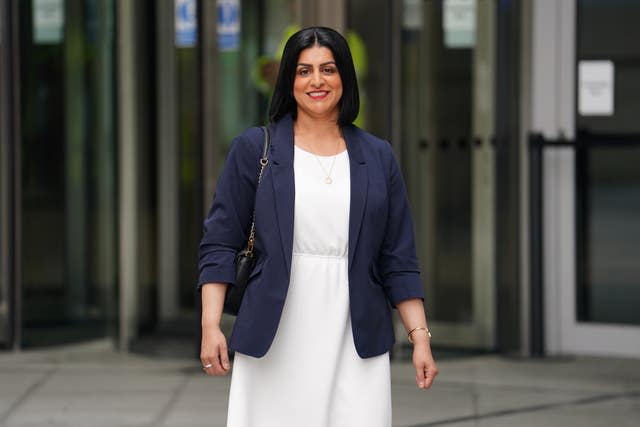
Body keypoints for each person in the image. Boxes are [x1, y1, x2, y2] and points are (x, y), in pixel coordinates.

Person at [198, 26, 438, 427]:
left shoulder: (378, 157)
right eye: (303, 71)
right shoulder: (254, 149)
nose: (317, 81)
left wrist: (420, 338)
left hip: (355, 330)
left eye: (328, 69)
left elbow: (398, 258)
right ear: (288, 79)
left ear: (345, 75)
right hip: (277, 333)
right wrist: (211, 325)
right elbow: (220, 244)